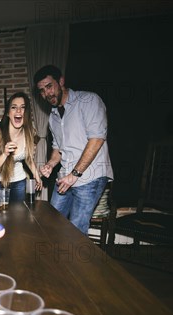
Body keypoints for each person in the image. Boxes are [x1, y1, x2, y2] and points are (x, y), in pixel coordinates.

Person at [33, 64, 113, 234]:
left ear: (61, 81)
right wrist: (50, 165)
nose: (47, 93)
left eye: (49, 86)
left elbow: (97, 139)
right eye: (42, 90)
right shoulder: (53, 117)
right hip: (65, 177)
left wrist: (74, 175)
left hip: (90, 177)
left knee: (76, 231)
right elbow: (58, 150)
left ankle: (74, 260)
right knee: (50, 224)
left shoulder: (89, 100)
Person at [0, 92, 42, 202]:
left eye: (23, 107)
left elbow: (28, 158)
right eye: (14, 107)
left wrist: (37, 176)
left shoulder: (30, 133)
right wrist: (5, 154)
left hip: (19, 181)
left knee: (18, 217)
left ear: (26, 113)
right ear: (8, 113)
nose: (19, 111)